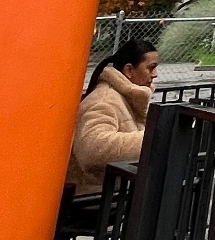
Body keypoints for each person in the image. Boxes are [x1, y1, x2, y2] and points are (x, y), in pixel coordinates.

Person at [67, 46, 158, 195]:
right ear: (129, 70)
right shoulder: (103, 99)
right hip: (95, 200)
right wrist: (151, 139)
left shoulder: (125, 97)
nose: (155, 74)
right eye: (151, 68)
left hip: (111, 195)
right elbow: (93, 147)